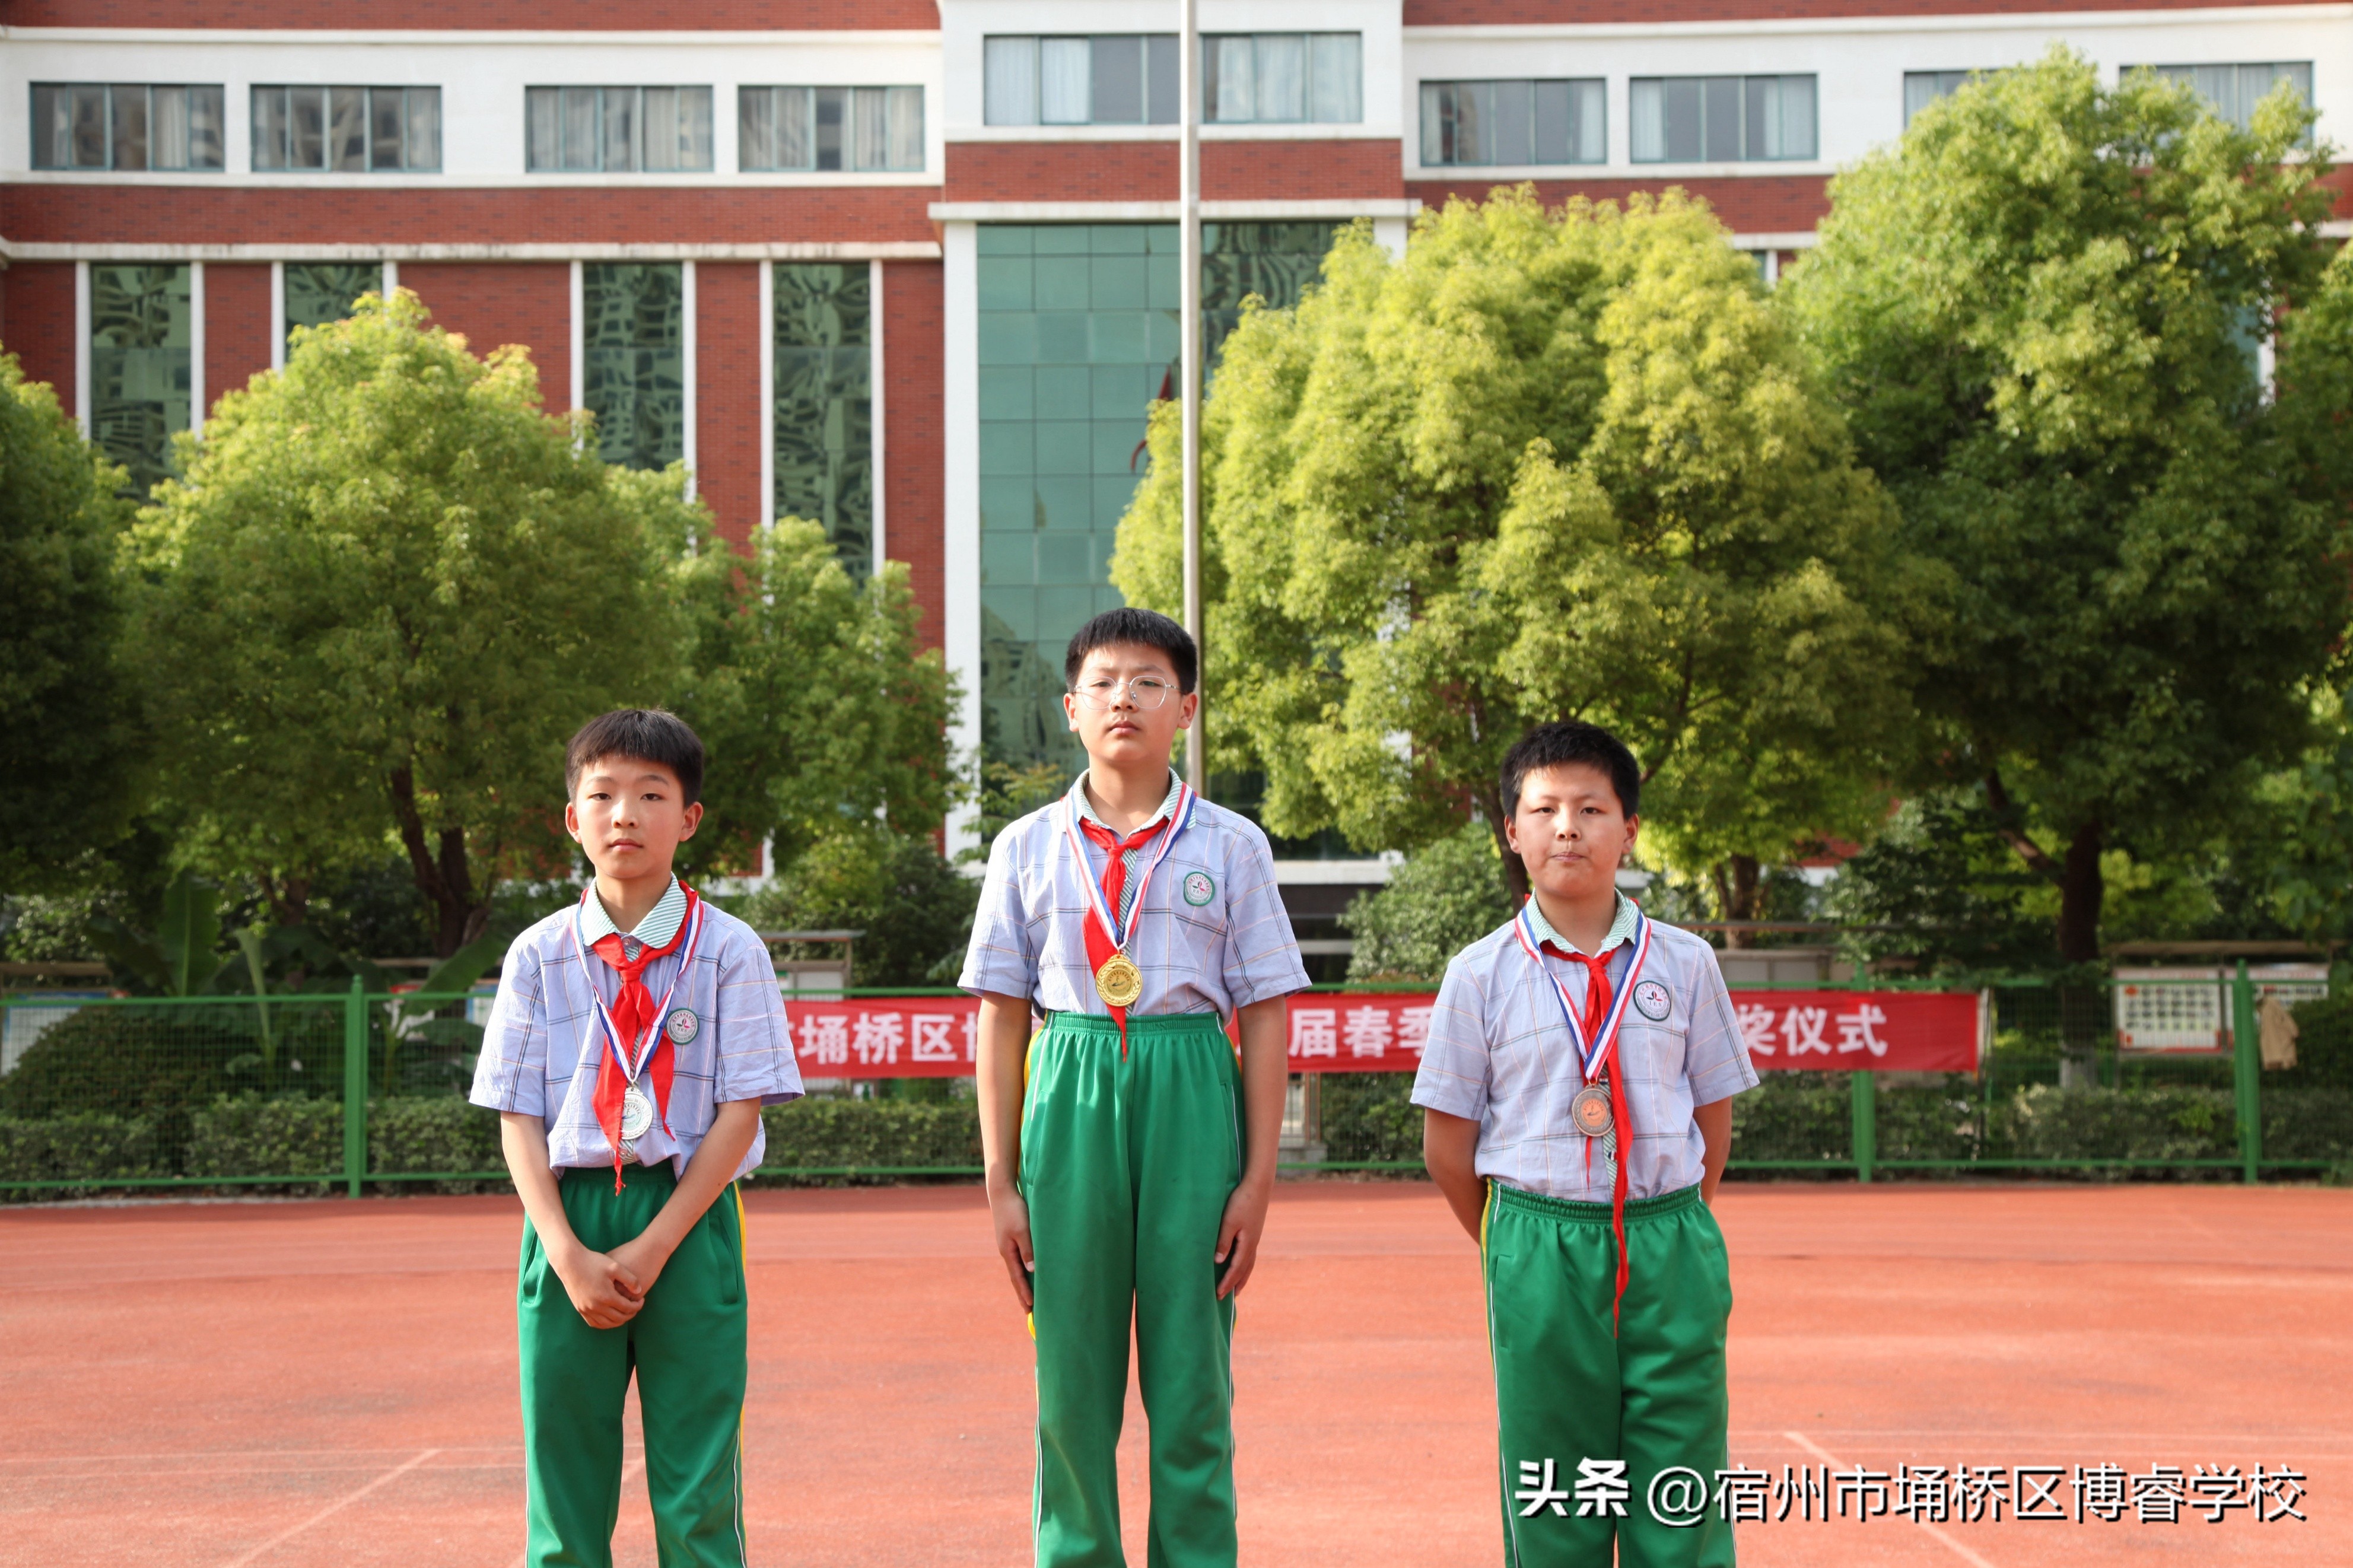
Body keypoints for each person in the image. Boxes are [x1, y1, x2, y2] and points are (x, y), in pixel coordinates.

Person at [962, 607, 1310, 1568]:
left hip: (1192, 1080)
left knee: (1193, 1376)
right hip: (1067, 1078)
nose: (1127, 699)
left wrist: (1256, 1179)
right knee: (1071, 1382)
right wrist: (1000, 1182)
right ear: (1070, 709)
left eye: (1150, 683)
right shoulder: (1024, 847)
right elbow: (998, 1014)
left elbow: (1269, 1009)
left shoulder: (1232, 845)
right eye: (1106, 683)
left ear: (1186, 709)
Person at [1414, 721, 1757, 1568]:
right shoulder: (1480, 973)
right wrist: (1510, 1241)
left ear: (1628, 829)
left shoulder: (1685, 963)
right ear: (1513, 831)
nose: (1567, 827)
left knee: (1678, 1472)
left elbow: (1710, 1117)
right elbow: (1446, 1147)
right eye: (1545, 809)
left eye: (1591, 808)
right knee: (1552, 1476)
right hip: (1536, 1243)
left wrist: (1673, 1219)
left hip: (1667, 1236)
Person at [471, 708, 802, 1568]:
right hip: (566, 1216)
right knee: (565, 1485)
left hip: (686, 1217)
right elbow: (517, 1116)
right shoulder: (537, 956)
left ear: (688, 818)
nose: (626, 814)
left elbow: (742, 1111)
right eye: (603, 794)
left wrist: (656, 1246)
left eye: (651, 794)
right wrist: (565, 1251)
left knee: (696, 1486)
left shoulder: (731, 952)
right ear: (572, 819)